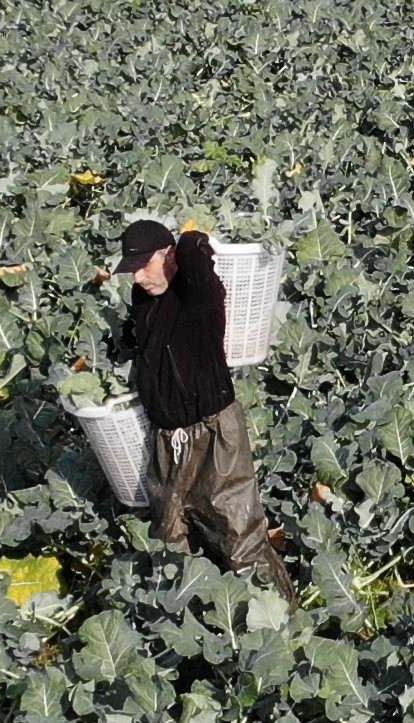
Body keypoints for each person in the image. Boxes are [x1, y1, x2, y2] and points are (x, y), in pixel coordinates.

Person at [105, 217, 288, 583]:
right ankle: (197, 605)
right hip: (167, 440)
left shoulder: (198, 298)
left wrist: (189, 238)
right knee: (171, 535)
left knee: (238, 535)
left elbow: (195, 257)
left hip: (213, 433)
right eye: (132, 269)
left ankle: (277, 611)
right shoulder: (145, 299)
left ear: (169, 256)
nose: (138, 277)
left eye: (144, 265)